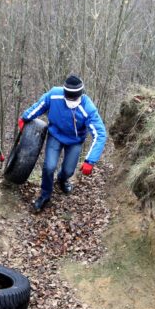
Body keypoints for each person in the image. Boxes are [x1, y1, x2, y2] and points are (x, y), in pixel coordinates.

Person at [18, 75, 107, 211]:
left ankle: (62, 179)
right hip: (55, 135)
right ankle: (45, 194)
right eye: (68, 98)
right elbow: (39, 106)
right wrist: (25, 117)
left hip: (75, 141)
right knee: (49, 167)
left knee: (68, 170)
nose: (71, 102)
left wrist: (90, 160)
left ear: (80, 95)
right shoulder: (54, 95)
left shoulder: (88, 108)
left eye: (74, 99)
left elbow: (100, 134)